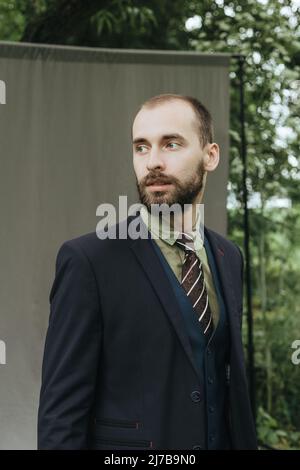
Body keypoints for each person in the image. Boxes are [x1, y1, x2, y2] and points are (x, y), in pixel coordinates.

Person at [37, 93, 257, 450]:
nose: (153, 162)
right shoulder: (89, 261)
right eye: (141, 147)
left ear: (210, 155)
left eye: (171, 144)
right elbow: (61, 413)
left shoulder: (228, 256)